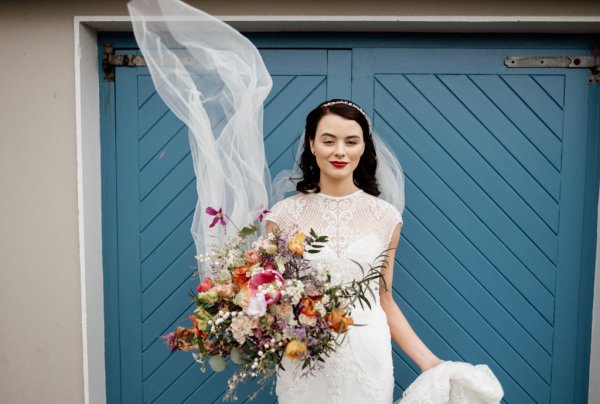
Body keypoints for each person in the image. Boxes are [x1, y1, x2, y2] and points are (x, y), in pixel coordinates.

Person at [265, 99, 444, 403]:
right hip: (305, 354)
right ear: (311, 144)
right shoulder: (282, 217)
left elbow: (383, 297)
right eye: (328, 140)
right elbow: (271, 297)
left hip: (367, 353)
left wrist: (429, 361)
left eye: (351, 141)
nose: (340, 151)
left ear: (363, 147)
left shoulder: (385, 217)